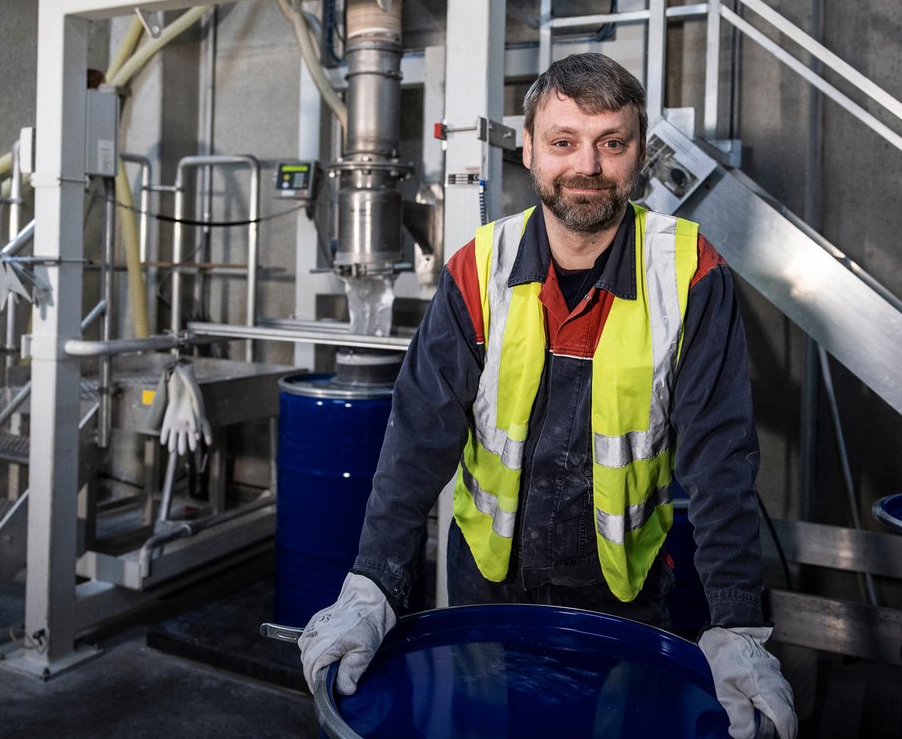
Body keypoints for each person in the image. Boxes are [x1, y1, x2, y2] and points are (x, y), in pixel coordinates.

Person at [299, 53, 797, 739]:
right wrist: (371, 586)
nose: (586, 166)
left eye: (611, 144)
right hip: (485, 587)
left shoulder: (688, 271)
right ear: (528, 149)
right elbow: (418, 437)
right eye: (563, 142)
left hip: (624, 593)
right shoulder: (480, 268)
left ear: (637, 155)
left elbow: (721, 460)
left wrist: (737, 625)